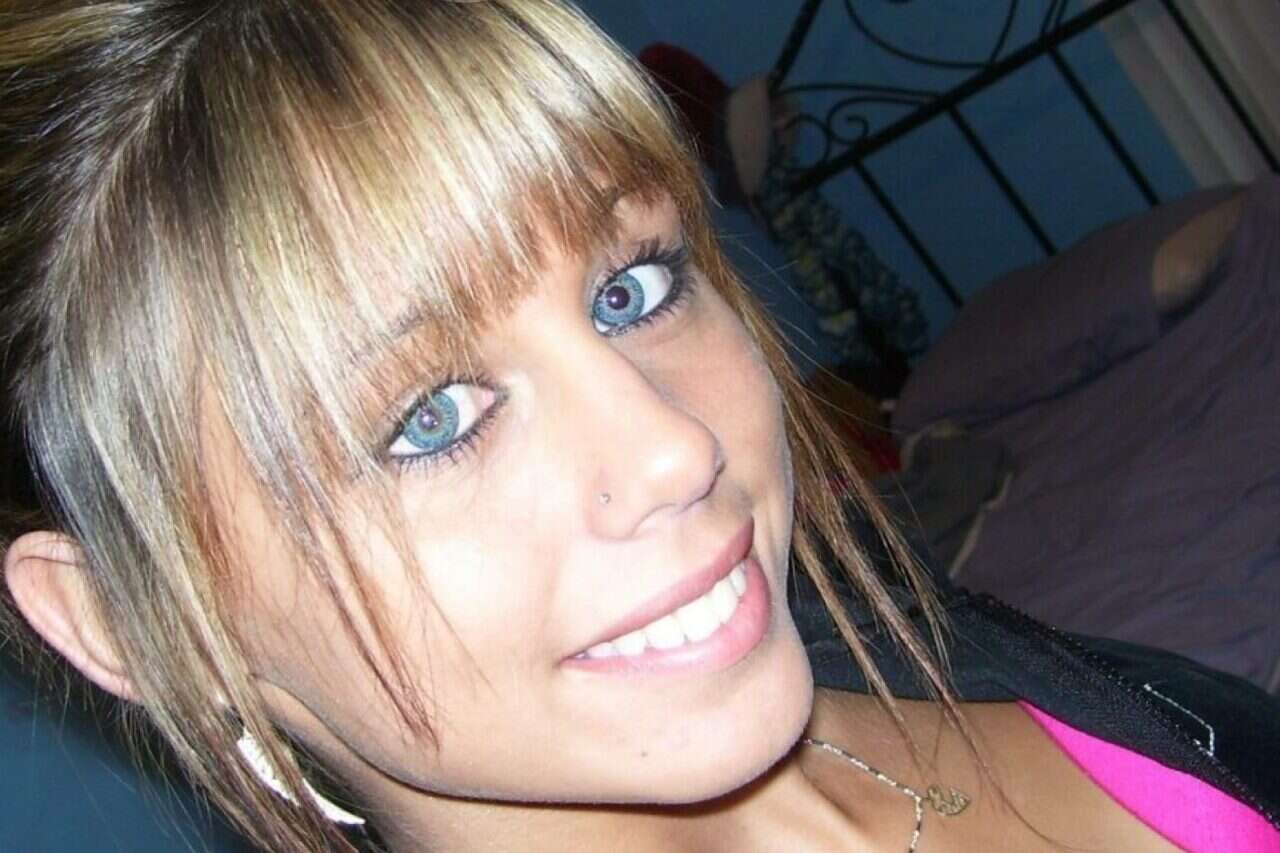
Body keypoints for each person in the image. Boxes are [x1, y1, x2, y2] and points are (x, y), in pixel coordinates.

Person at [0, 2, 1276, 852]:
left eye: (630, 288)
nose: (678, 450)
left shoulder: (905, 636)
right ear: (129, 619)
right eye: (429, 417)